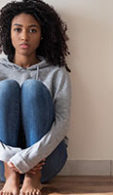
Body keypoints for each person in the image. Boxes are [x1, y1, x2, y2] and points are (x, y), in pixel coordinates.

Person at [0, 0, 71, 194]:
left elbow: (62, 123)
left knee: (33, 88)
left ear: (42, 35)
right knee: (6, 88)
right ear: (9, 33)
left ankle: (32, 178)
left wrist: (31, 159)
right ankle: (11, 176)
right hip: (3, 161)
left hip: (45, 161)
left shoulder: (56, 71)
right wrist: (10, 158)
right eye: (17, 29)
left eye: (32, 30)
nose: (24, 36)